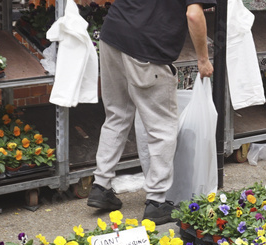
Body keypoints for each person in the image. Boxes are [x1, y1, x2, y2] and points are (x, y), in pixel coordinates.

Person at [86, 0, 214, 225]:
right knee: (162, 128)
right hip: (147, 48)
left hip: (112, 36)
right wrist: (203, 59)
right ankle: (156, 202)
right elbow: (194, 14)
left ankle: (100, 186)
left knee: (116, 115)